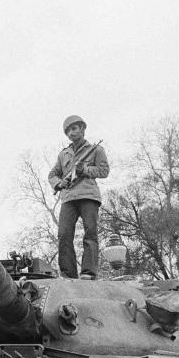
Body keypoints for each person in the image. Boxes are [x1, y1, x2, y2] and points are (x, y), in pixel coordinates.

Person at [48, 115, 110, 280]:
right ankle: (68, 274)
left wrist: (85, 170)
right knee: (63, 235)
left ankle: (88, 272)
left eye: (74, 128)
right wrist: (59, 183)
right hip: (68, 198)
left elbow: (104, 171)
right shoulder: (64, 154)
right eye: (68, 131)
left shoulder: (96, 149)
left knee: (90, 232)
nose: (71, 133)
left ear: (82, 129)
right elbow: (53, 175)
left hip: (88, 195)